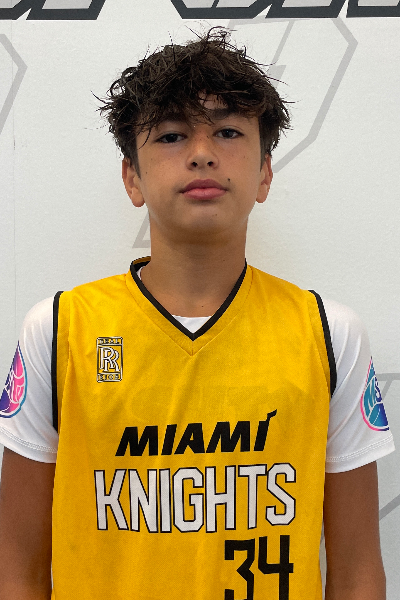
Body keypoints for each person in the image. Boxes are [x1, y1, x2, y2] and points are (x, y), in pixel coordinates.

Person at [0, 27, 394, 600]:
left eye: (228, 132)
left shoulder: (329, 333)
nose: (202, 152)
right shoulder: (59, 329)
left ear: (264, 173)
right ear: (132, 178)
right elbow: (18, 571)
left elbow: (357, 573)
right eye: (171, 135)